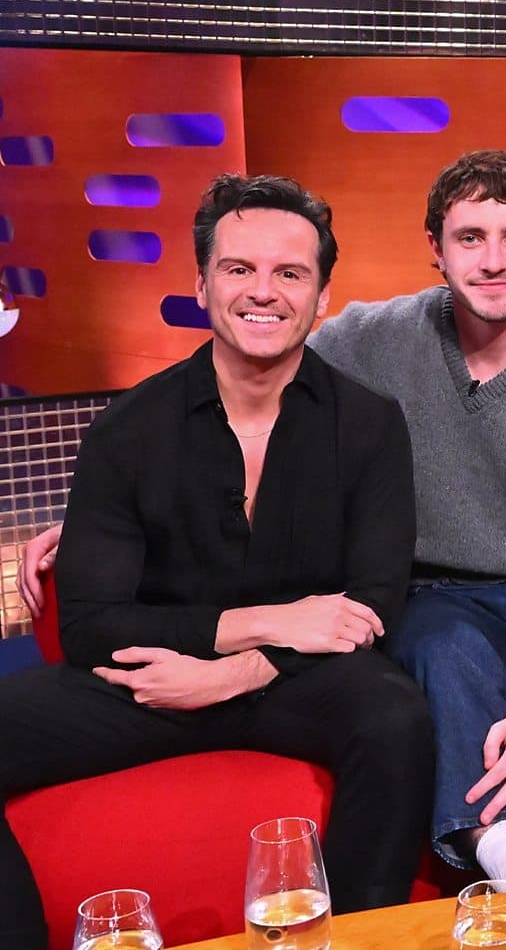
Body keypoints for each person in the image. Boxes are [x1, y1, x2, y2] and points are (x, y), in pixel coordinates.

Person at [20, 151, 506, 888]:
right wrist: (106, 521)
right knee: (443, 653)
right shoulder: (371, 338)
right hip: (441, 591)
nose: (493, 261)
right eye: (470, 237)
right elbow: (258, 349)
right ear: (436, 248)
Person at [0, 174, 431, 947]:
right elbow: (94, 625)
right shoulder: (129, 430)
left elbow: (369, 606)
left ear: (322, 296)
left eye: (289, 273)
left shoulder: (369, 424)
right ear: (202, 284)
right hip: (153, 680)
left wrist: (237, 671)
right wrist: (264, 623)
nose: (263, 291)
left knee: (394, 718)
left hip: (294, 682)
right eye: (239, 269)